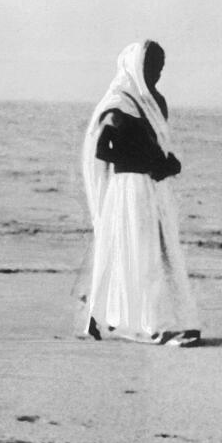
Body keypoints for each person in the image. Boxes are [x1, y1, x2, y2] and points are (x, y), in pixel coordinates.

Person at [81, 41, 200, 345]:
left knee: (156, 251)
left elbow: (156, 147)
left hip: (151, 186)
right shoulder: (120, 103)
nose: (157, 72)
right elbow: (102, 150)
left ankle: (145, 318)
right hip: (129, 187)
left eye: (161, 66)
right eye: (152, 66)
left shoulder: (154, 101)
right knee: (136, 250)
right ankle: (147, 323)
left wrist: (165, 163)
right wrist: (146, 161)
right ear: (136, 66)